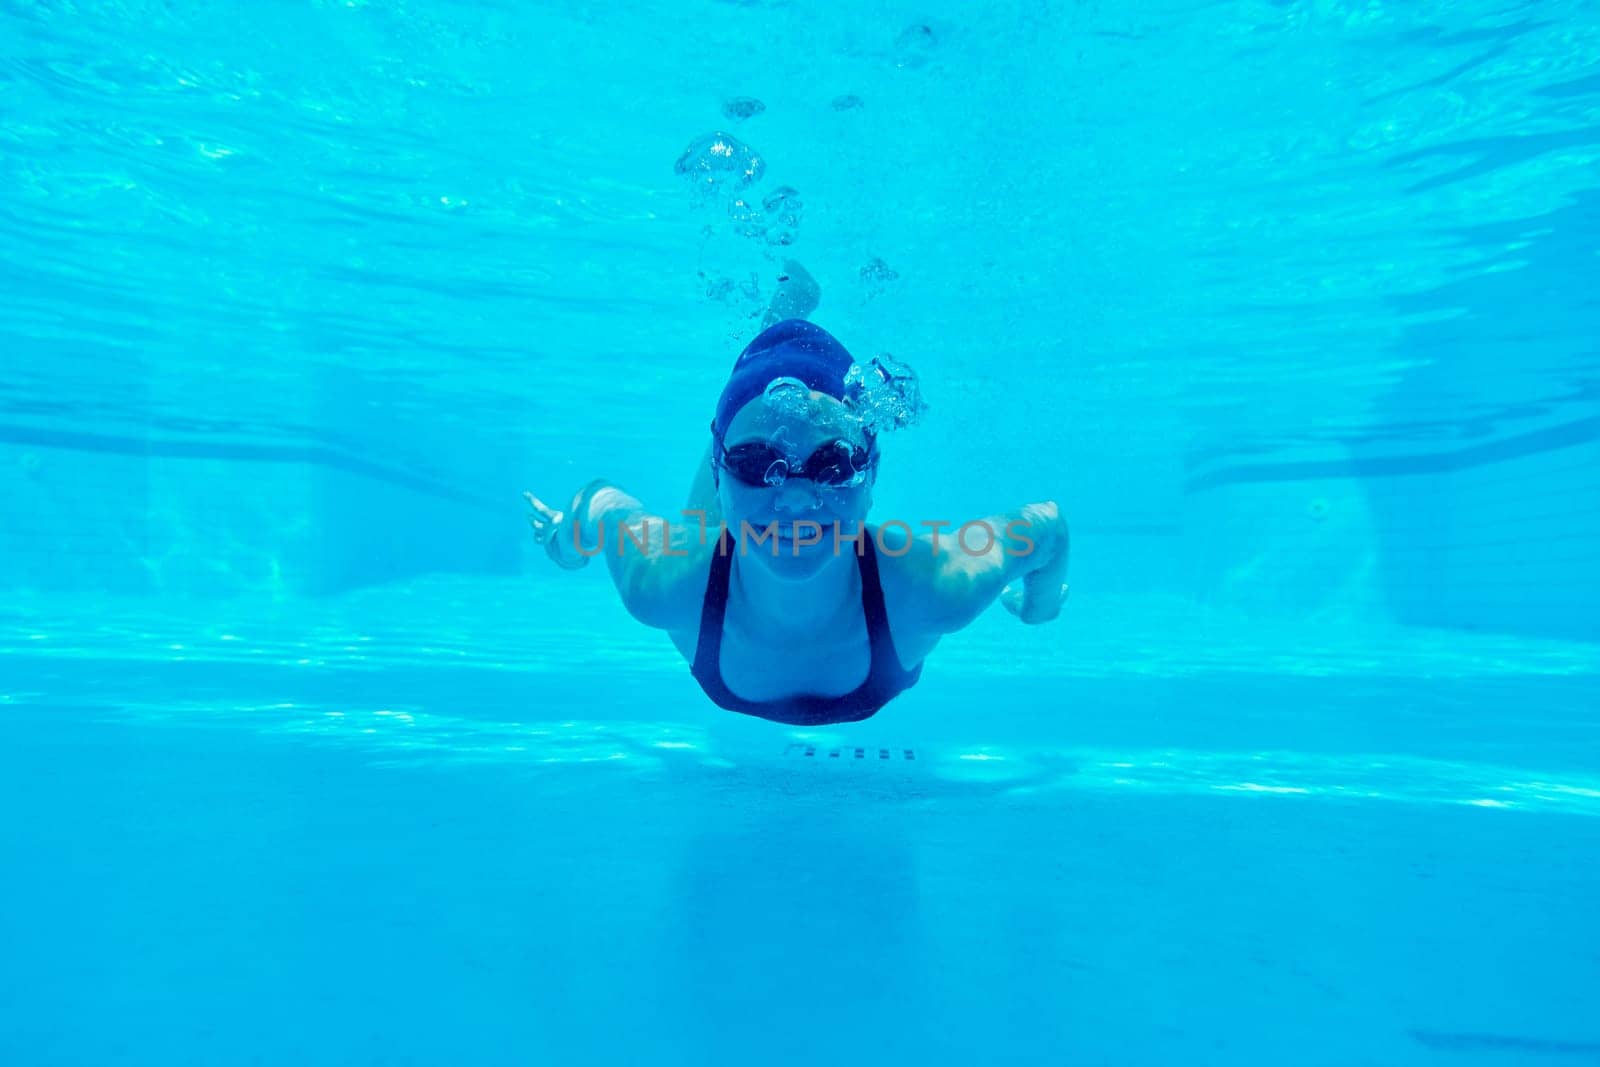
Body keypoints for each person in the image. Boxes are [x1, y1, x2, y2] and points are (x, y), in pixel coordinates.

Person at [524, 319, 1069, 725]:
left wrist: (1036, 609)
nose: (796, 502)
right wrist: (563, 542)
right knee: (707, 518)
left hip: (741, 540)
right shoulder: (664, 581)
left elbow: (1047, 525)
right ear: (722, 474)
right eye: (756, 465)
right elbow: (602, 503)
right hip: (718, 544)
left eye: (834, 465)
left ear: (871, 478)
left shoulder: (939, 581)